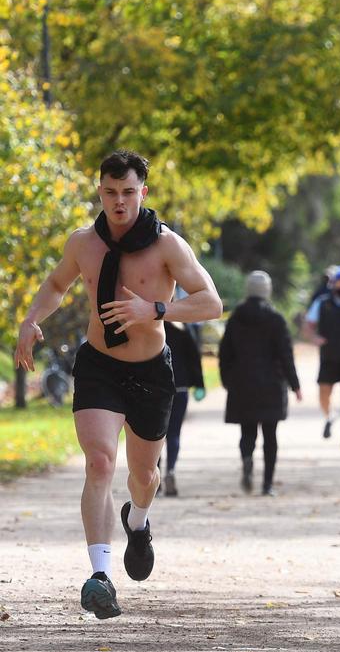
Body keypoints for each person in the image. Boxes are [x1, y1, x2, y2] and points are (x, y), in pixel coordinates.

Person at [14, 150, 222, 619]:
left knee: (144, 475)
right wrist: (30, 319)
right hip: (99, 366)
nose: (119, 202)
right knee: (100, 462)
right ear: (100, 192)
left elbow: (211, 303)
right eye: (110, 193)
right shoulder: (83, 242)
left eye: (128, 192)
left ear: (142, 193)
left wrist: (157, 310)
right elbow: (55, 284)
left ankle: (139, 520)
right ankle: (100, 575)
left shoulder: (168, 245)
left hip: (151, 370)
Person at [218, 271, 302, 496]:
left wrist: (227, 379)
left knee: (247, 432)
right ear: (267, 290)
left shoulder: (236, 318)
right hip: (271, 385)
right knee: (270, 436)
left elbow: (225, 351)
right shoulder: (276, 319)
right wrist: (295, 384)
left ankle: (247, 459)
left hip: (242, 383)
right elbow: (286, 354)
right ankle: (267, 485)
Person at [304, 265, 340, 445]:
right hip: (328, 356)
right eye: (339, 282)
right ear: (334, 283)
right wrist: (314, 338)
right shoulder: (321, 303)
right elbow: (308, 326)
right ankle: (329, 417)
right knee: (324, 393)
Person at [161, 319, 206, 497]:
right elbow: (194, 357)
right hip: (180, 386)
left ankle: (152, 477)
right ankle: (170, 470)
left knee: (151, 435)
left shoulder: (146, 324)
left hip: (154, 387)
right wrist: (199, 384)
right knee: (174, 433)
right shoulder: (182, 328)